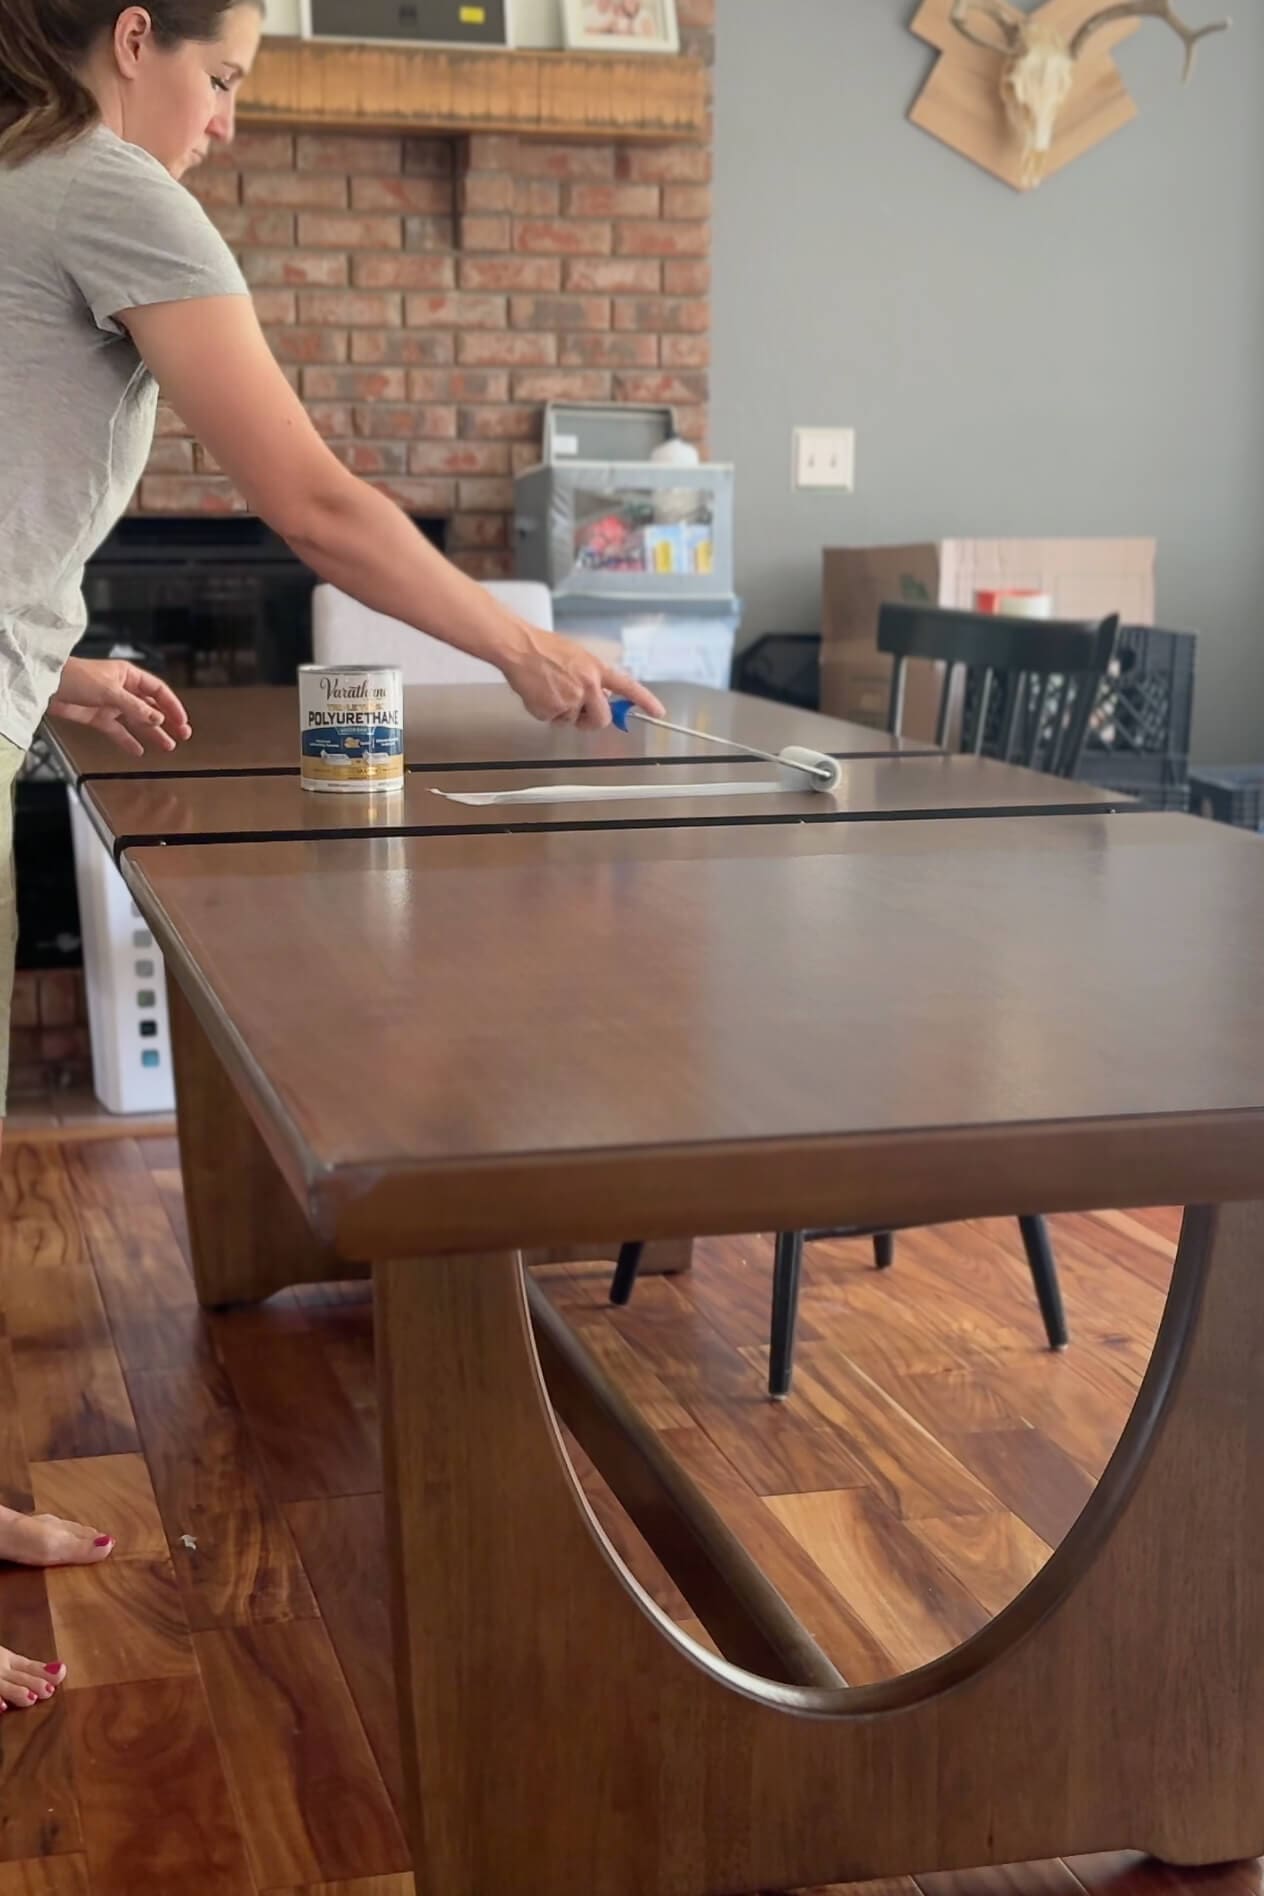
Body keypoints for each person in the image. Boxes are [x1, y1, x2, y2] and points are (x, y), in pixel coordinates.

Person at [0, 0, 665, 1712]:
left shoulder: (23, 180)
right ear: (133, 38)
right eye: (221, 78)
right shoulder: (100, 178)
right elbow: (311, 501)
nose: (223, 122)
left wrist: (41, 656)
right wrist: (522, 648)